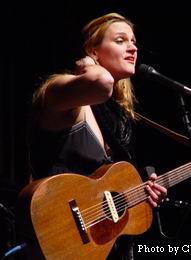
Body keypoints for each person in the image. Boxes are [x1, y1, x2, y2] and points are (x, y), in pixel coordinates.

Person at [29, 12, 167, 259]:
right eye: (120, 40)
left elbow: (102, 199)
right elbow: (101, 83)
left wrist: (141, 194)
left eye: (134, 41)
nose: (133, 48)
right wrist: (88, 66)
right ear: (93, 50)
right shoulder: (63, 92)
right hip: (54, 235)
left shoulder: (118, 121)